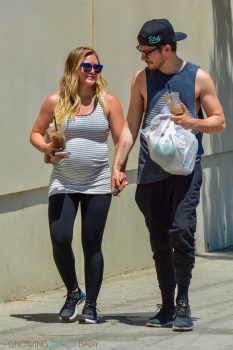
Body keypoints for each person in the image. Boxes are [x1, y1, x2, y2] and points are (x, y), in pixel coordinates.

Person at [111, 19, 225, 331]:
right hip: (152, 172)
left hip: (186, 170)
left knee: (182, 230)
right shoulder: (141, 79)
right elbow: (131, 127)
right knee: (159, 239)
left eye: (148, 52)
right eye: (141, 50)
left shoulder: (198, 77)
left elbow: (219, 122)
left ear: (167, 48)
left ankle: (184, 301)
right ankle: (167, 305)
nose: (143, 57)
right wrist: (118, 165)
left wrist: (193, 123)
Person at [30, 46, 124, 324]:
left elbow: (121, 139)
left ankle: (91, 305)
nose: (93, 72)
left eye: (97, 68)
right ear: (74, 69)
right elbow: (35, 133)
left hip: (97, 183)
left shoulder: (108, 102)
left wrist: (118, 169)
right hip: (63, 180)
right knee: (60, 238)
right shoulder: (54, 101)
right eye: (87, 67)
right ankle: (73, 292)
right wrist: (45, 147)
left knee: (92, 243)